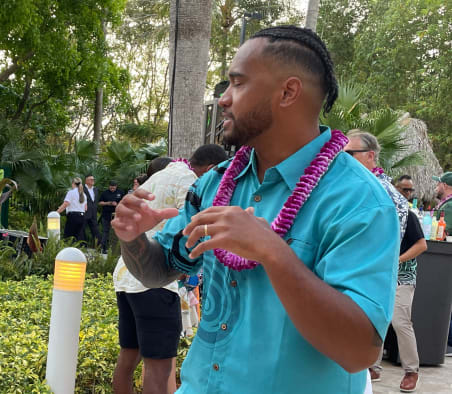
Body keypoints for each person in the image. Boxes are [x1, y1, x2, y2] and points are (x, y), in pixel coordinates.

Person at [112, 25, 400, 393]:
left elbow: (360, 351)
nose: (223, 99)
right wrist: (133, 238)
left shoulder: (358, 201)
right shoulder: (215, 184)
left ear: (288, 92)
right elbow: (159, 271)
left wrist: (272, 252)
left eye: (237, 83)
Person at [112, 146, 227, 394]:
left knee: (128, 358)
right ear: (210, 170)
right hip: (157, 279)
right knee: (159, 368)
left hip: (126, 274)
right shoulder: (190, 180)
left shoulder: (159, 175)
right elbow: (192, 228)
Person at [370, 204, 427, 391]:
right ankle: (373, 368)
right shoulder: (378, 214)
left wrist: (398, 260)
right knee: (378, 318)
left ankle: (412, 371)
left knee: (400, 321)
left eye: (408, 190)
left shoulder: (408, 216)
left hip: (403, 276)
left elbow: (421, 245)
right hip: (381, 275)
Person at [344, 130, 408, 239]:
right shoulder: (372, 186)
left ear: (370, 156)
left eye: (349, 153)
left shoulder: (377, 190)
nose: (343, 158)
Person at [56, 177, 87, 242]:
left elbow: (66, 204)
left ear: (73, 183)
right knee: (76, 238)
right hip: (82, 217)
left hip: (73, 217)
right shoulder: (84, 195)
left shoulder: (71, 192)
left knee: (68, 237)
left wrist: (57, 212)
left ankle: (68, 251)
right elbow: (85, 208)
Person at [98, 180, 125, 255]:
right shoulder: (105, 193)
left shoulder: (120, 192)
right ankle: (103, 248)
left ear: (116, 186)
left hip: (117, 216)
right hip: (106, 215)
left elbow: (124, 202)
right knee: (105, 231)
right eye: (111, 187)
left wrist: (117, 204)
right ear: (109, 186)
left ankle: (116, 249)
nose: (112, 189)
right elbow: (100, 203)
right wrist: (108, 203)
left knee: (116, 232)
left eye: (114, 188)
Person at [82, 174, 101, 248]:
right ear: (86, 181)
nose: (93, 181)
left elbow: (95, 201)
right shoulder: (82, 189)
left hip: (93, 213)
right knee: (82, 230)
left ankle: (99, 247)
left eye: (93, 179)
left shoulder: (95, 189)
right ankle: (83, 246)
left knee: (96, 230)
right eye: (91, 179)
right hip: (84, 212)